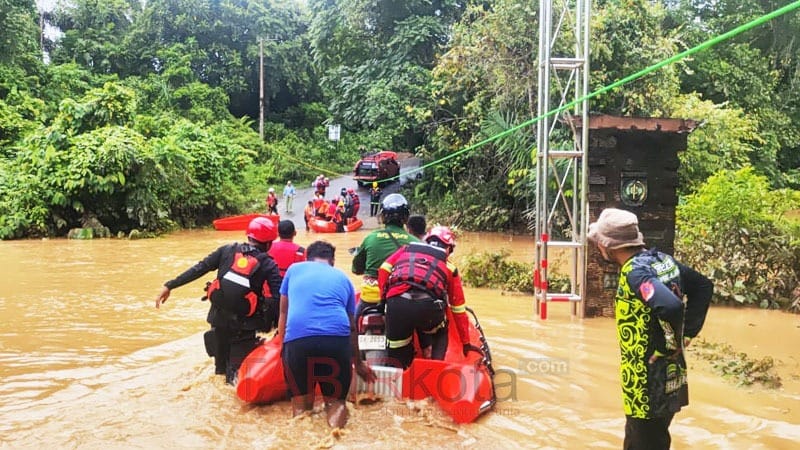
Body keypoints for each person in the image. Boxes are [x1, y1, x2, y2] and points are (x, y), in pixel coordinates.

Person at [587, 208, 712, 450]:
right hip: (670, 376)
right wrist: (686, 335)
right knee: (652, 439)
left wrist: (669, 345)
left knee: (644, 441)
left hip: (645, 383)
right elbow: (703, 287)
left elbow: (671, 306)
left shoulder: (636, 273)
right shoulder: (663, 261)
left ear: (608, 246)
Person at [155, 217, 282, 384]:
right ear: (269, 243)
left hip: (218, 320)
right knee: (235, 376)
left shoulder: (227, 250)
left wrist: (170, 285)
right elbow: (280, 296)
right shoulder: (268, 264)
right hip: (244, 326)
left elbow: (199, 268)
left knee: (219, 371)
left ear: (248, 235)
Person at [277, 241, 376, 428]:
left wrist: (284, 348)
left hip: (298, 341)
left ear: (307, 256)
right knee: (336, 403)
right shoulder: (343, 278)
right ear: (332, 261)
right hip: (335, 341)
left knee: (301, 407)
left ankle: (299, 441)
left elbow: (283, 312)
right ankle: (335, 439)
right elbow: (352, 327)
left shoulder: (294, 270)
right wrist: (359, 362)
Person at [378, 226, 475, 368]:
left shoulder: (406, 250)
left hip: (396, 304)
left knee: (396, 349)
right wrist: (466, 343)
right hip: (427, 309)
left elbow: (384, 269)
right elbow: (458, 309)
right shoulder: (449, 267)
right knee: (441, 331)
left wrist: (383, 299)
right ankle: (434, 367)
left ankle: (397, 374)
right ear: (448, 248)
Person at [351, 193, 418, 317]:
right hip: (402, 298)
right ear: (406, 217)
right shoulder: (415, 242)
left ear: (383, 216)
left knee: (353, 326)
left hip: (370, 298)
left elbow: (355, 268)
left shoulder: (371, 238)